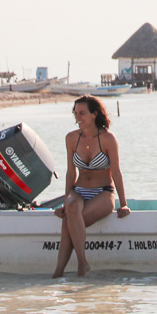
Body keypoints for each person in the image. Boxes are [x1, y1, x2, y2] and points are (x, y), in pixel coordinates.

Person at [52, 95, 130, 277]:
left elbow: (117, 173)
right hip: (79, 191)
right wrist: (65, 202)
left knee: (68, 223)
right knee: (71, 209)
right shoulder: (71, 138)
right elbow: (71, 173)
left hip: (103, 191)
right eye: (75, 112)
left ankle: (59, 273)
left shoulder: (108, 139)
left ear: (94, 114)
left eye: (82, 113)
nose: (77, 117)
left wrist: (123, 203)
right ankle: (82, 263)